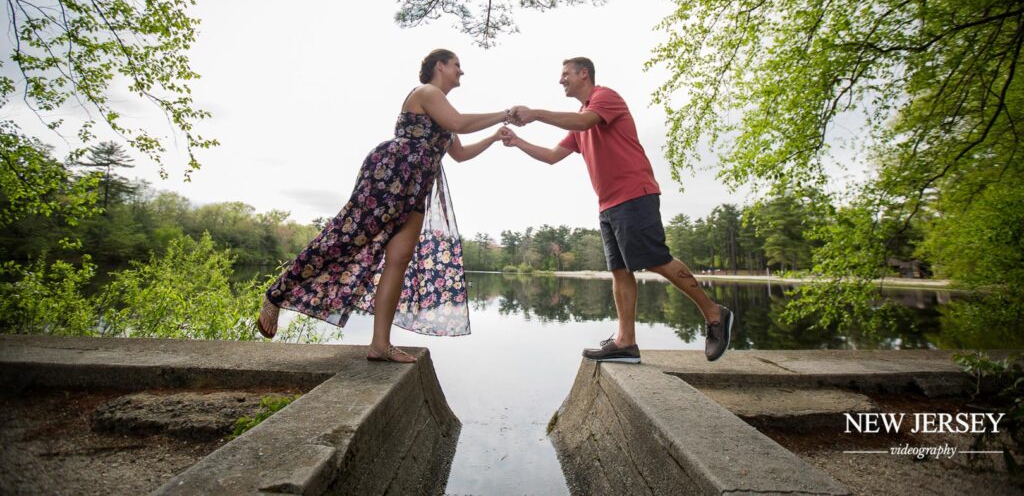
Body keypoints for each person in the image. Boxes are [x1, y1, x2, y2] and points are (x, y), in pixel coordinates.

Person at [258, 49, 512, 362]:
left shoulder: (443, 110)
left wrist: (494, 138)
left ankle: (379, 344)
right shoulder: (427, 92)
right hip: (392, 174)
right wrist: (505, 113)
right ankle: (276, 293)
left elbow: (458, 154)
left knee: (400, 258)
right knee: (346, 238)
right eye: (457, 65)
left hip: (417, 187)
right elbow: (458, 122)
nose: (462, 71)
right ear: (440, 66)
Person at [500, 57, 733, 363]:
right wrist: (518, 142)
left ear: (584, 73)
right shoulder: (579, 121)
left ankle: (714, 312)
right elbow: (552, 156)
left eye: (565, 74)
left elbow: (584, 122)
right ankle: (626, 342)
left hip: (634, 194)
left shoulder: (604, 98)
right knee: (619, 271)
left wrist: (536, 114)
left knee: (657, 259)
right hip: (608, 204)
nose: (561, 81)